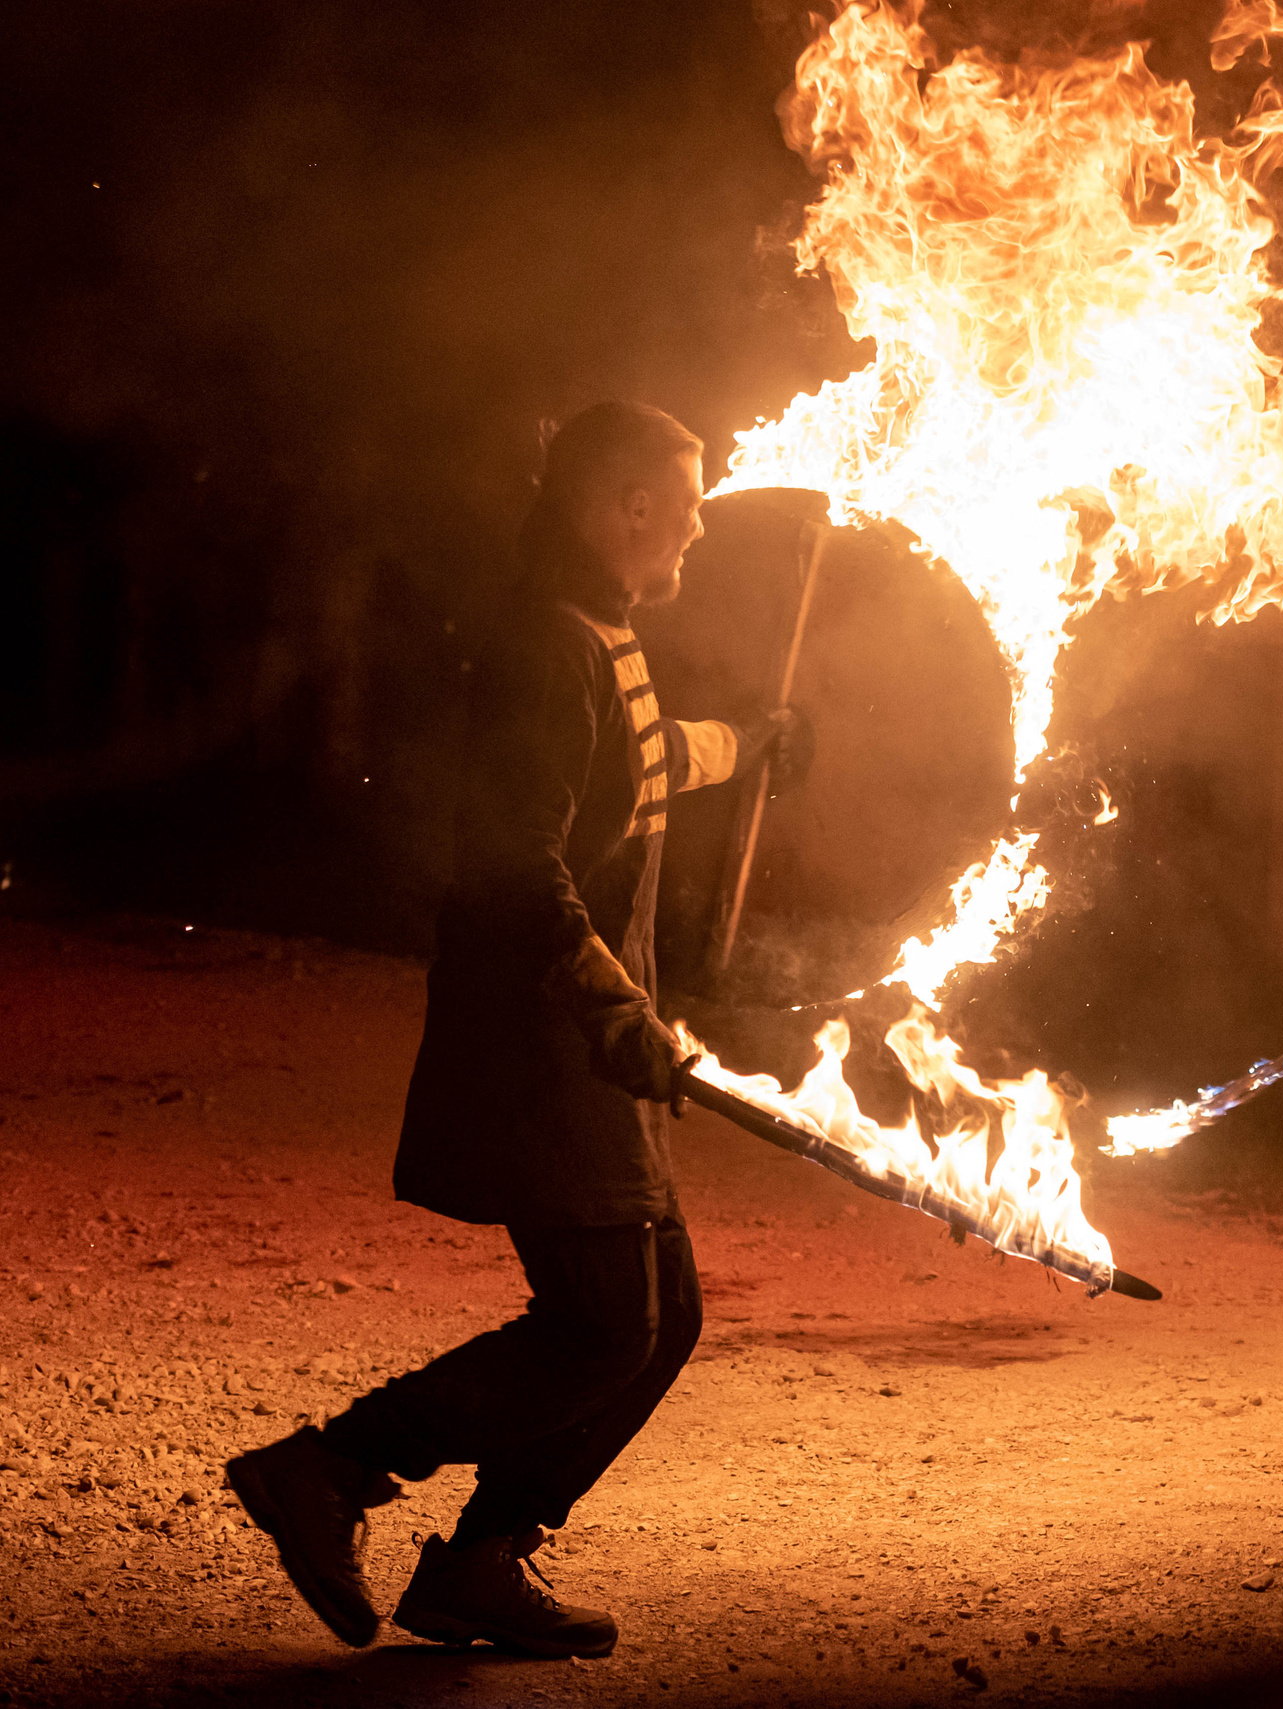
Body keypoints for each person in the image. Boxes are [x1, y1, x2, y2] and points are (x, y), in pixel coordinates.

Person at [224, 403, 811, 1657]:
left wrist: (743, 744)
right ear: (626, 506)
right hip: (550, 1046)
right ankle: (327, 1469)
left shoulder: (597, 632)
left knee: (664, 1318)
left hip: (596, 1045)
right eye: (688, 501)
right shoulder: (547, 646)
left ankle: (485, 1557)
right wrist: (611, 1007)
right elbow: (514, 866)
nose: (702, 525)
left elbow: (639, 756)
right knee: (605, 1323)